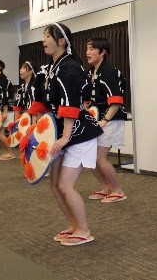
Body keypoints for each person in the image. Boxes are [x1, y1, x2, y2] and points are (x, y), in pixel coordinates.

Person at [42, 22, 102, 246]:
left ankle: (84, 230)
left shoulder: (68, 67)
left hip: (79, 134)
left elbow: (70, 104)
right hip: (63, 133)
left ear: (61, 41)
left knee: (65, 185)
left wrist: (65, 137)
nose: (43, 40)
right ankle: (74, 225)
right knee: (55, 184)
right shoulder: (55, 67)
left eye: (47, 35)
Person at [82, 37, 128, 203]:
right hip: (97, 117)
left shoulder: (108, 71)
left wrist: (105, 121)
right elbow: (87, 98)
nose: (87, 52)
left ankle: (118, 190)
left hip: (111, 118)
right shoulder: (90, 72)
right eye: (87, 49)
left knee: (99, 157)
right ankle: (106, 187)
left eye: (92, 49)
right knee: (90, 156)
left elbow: (116, 101)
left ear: (103, 52)